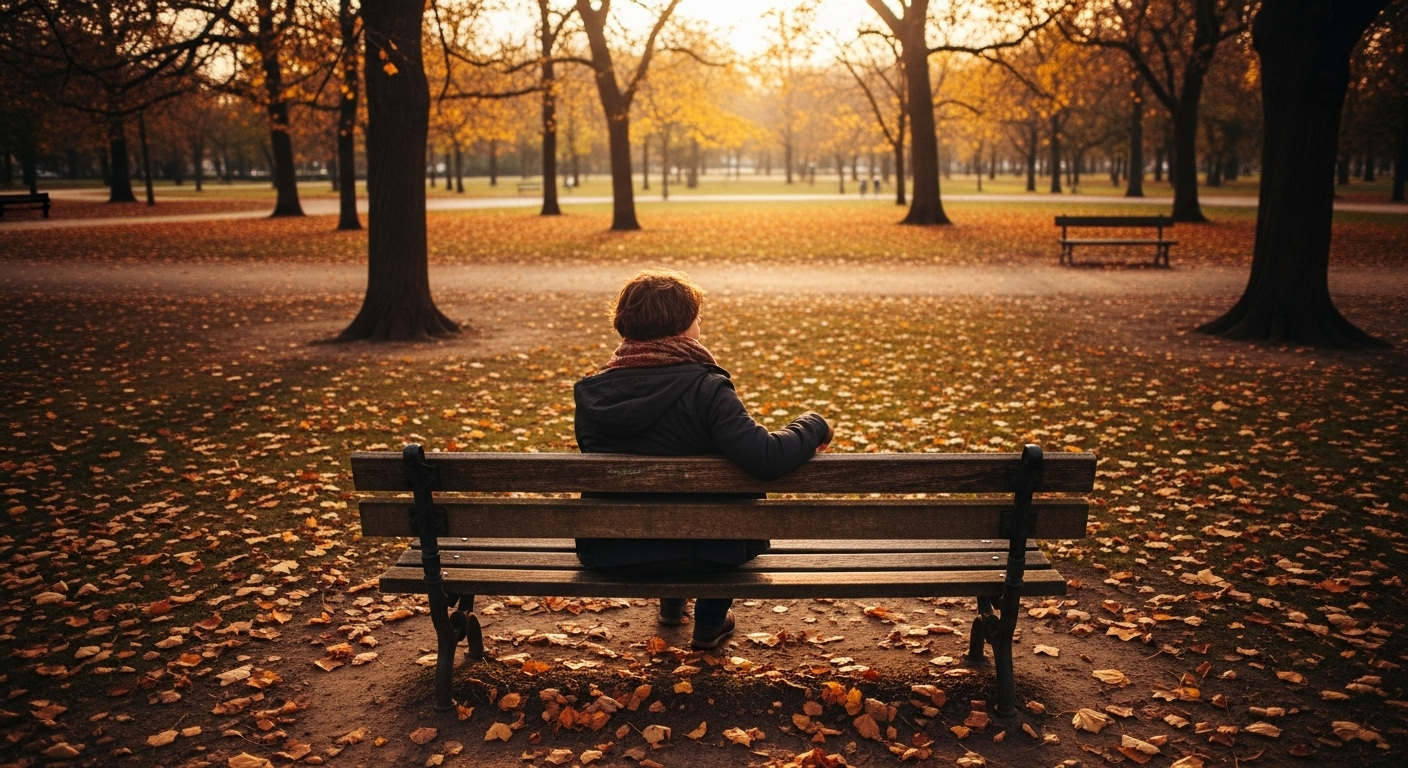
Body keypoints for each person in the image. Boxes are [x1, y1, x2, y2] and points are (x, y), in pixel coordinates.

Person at [573, 269, 832, 650]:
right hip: (706, 554)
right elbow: (765, 458)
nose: (700, 323)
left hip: (613, 549)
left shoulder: (593, 393)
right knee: (723, 500)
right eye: (696, 316)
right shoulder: (705, 387)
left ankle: (672, 607)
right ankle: (710, 621)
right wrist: (813, 425)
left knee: (658, 500)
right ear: (679, 326)